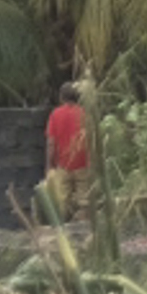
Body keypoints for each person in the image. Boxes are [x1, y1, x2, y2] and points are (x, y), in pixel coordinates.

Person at [43, 85, 91, 219]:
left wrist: (49, 165)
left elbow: (51, 143)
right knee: (84, 202)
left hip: (63, 164)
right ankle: (82, 227)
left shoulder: (55, 114)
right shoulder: (84, 114)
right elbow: (92, 140)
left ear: (61, 97)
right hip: (83, 163)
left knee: (62, 202)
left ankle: (65, 230)